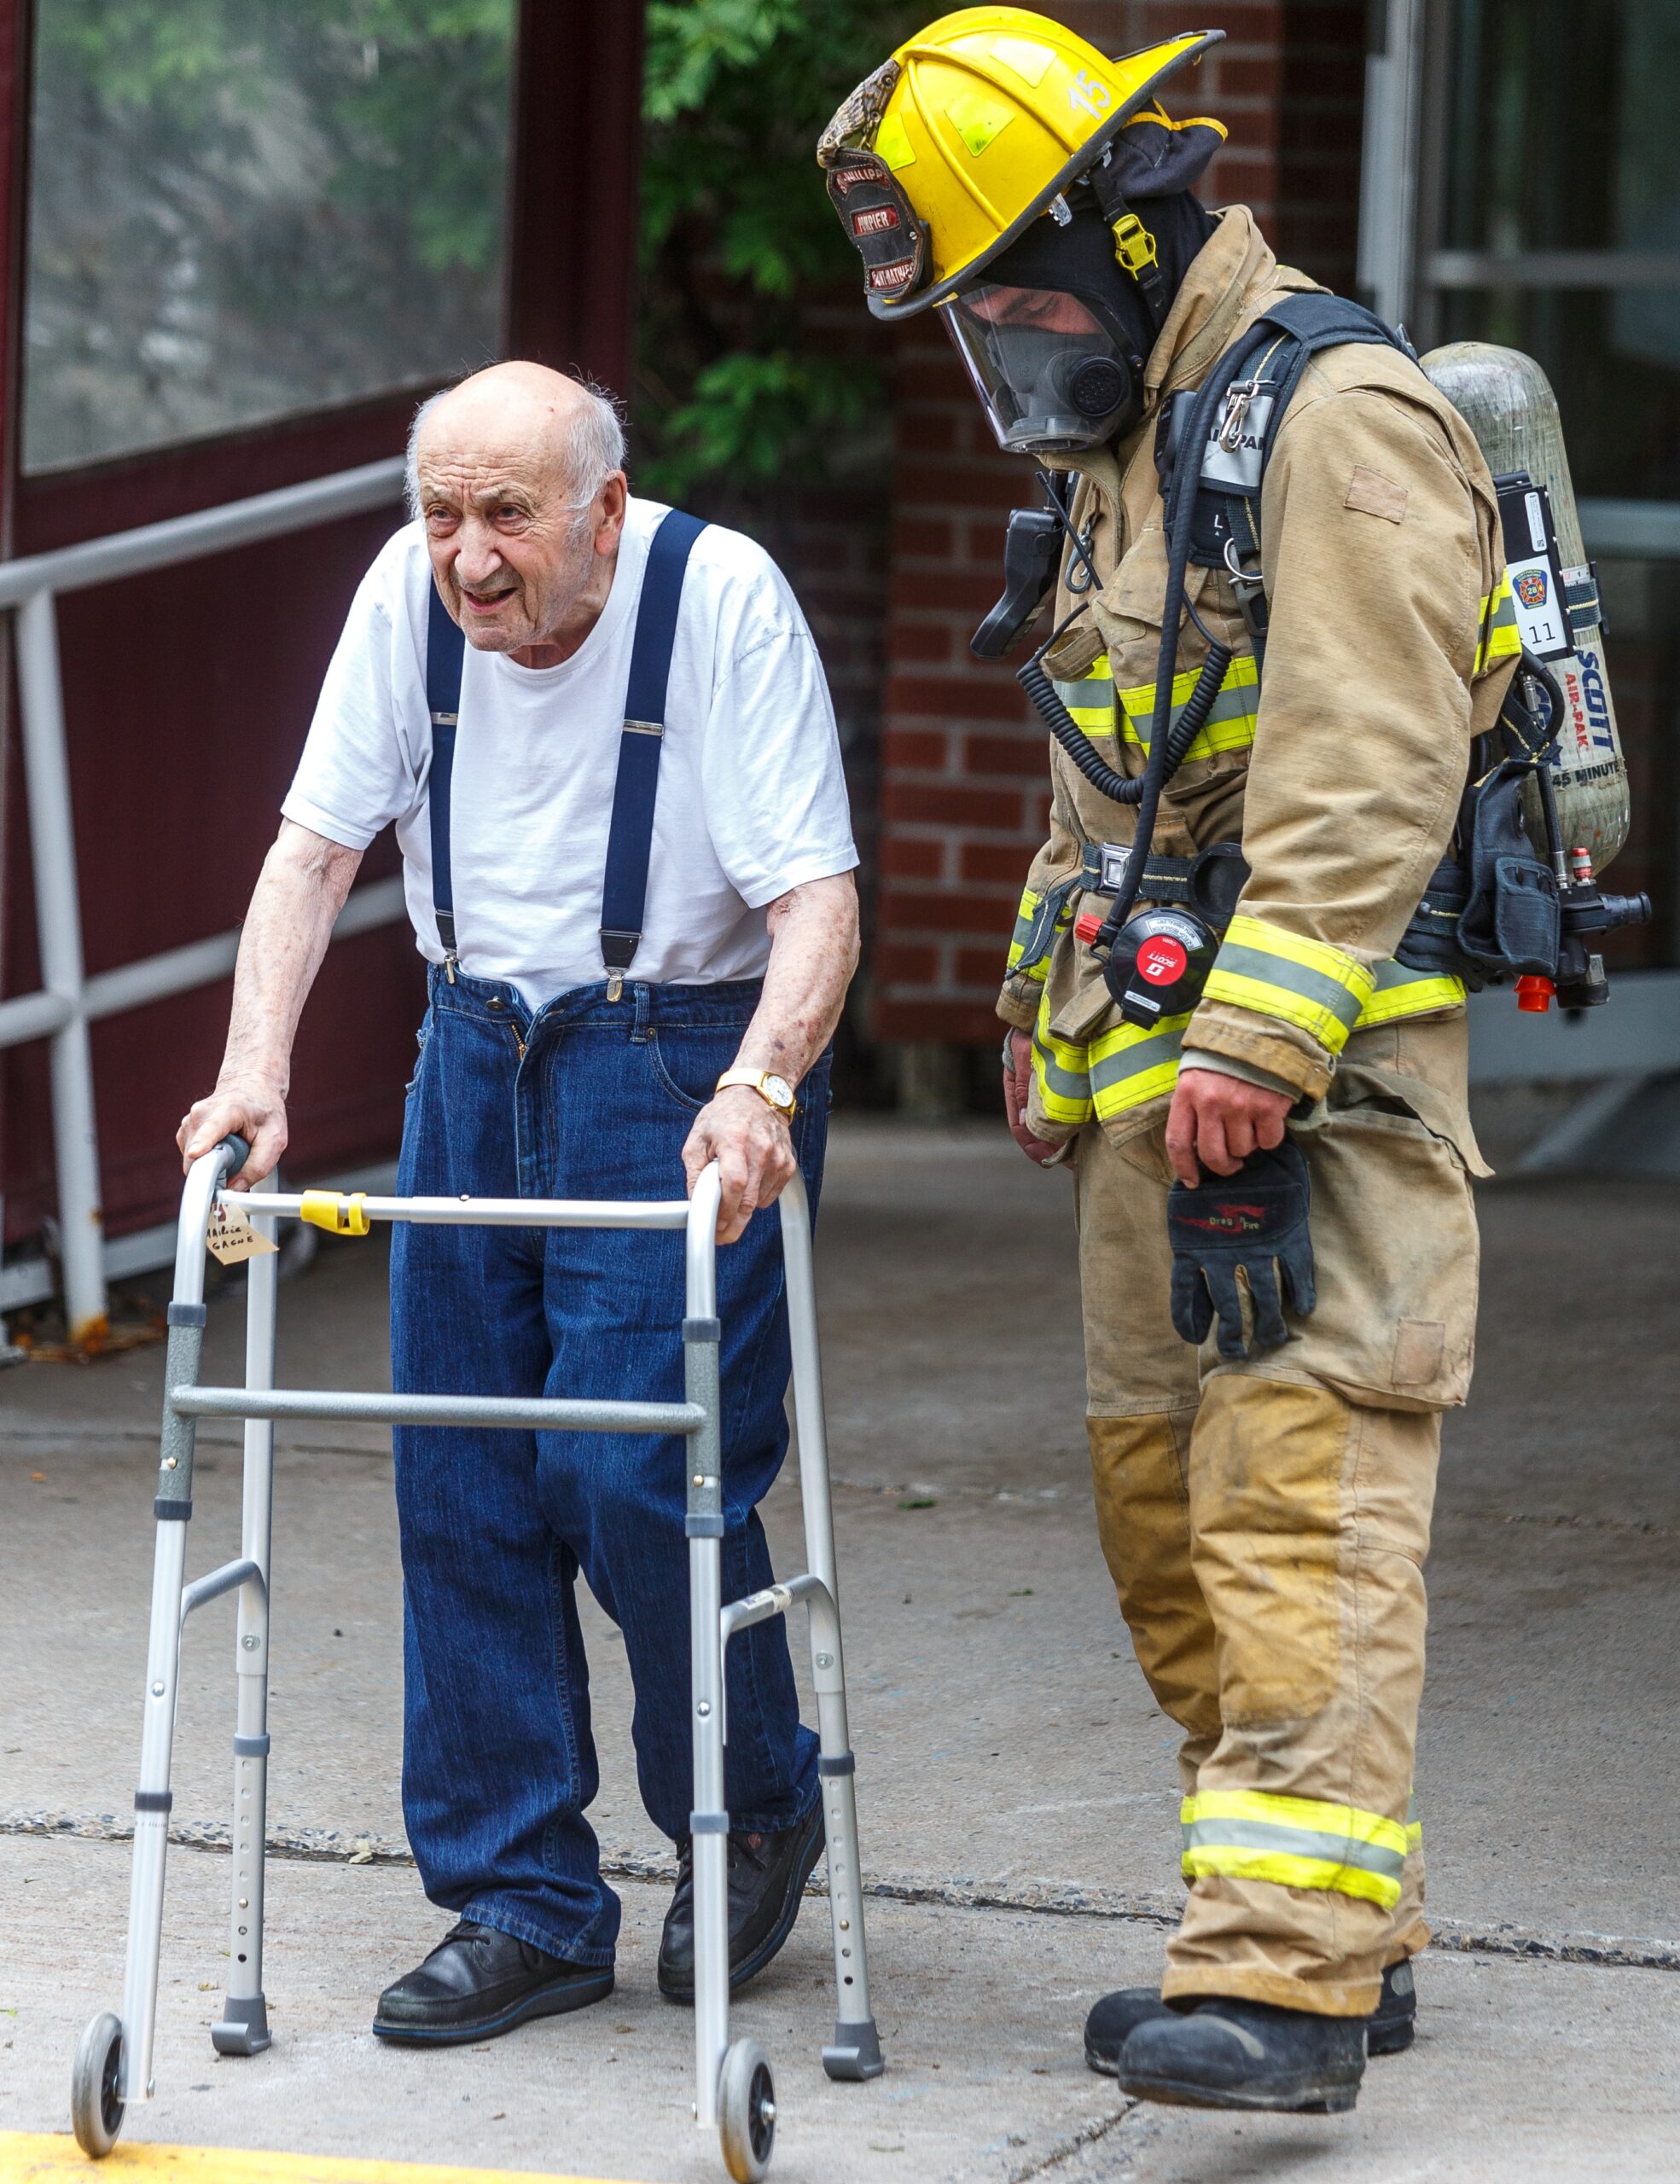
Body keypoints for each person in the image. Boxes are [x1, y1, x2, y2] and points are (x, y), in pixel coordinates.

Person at [822, 12, 1518, 2112]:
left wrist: (1256, 1031)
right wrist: (1051, 1017)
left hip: (1319, 1091)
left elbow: (1367, 761)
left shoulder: (1338, 412)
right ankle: (1334, 1919)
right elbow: (1106, 788)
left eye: (1019, 292)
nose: (1007, 344)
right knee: (1168, 1513)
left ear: (1125, 235)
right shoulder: (1133, 443)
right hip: (1146, 1083)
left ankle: (1283, 1982)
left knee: (1295, 1504)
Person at [179, 362, 861, 2044]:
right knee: (464, 1467)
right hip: (476, 1047)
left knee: (637, 1457)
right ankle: (522, 1895)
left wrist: (761, 1086)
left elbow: (820, 901)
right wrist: (254, 1070)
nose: (468, 557)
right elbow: (311, 854)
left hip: (685, 1053)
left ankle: (750, 1800)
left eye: (506, 515)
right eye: (440, 514)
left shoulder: (722, 604)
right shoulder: (401, 607)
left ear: (603, 510)